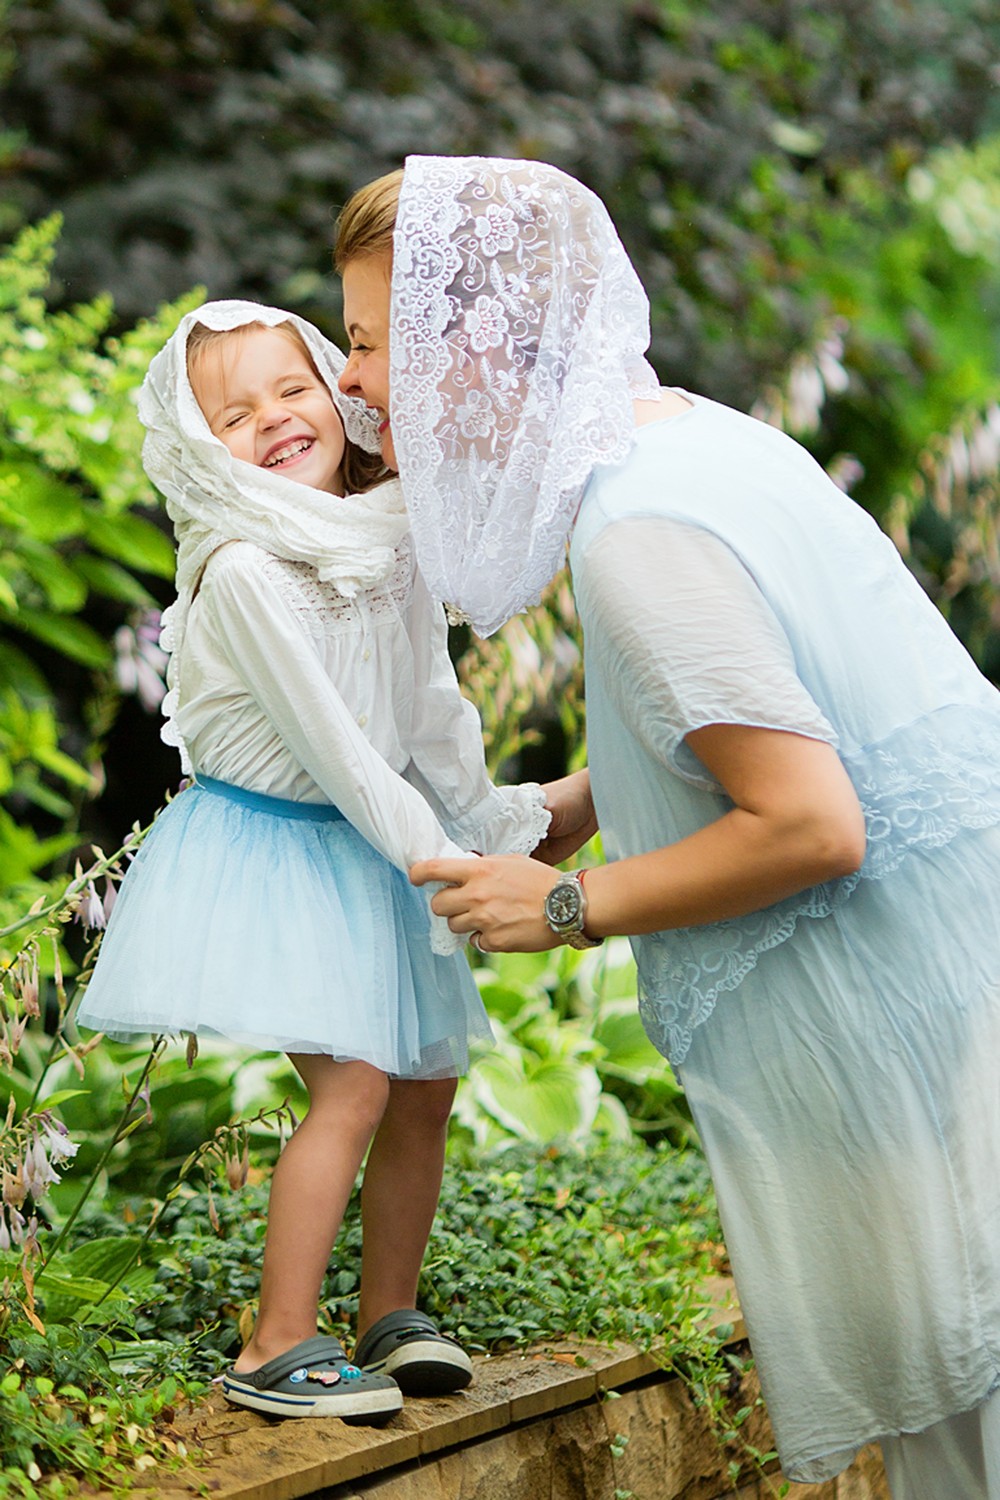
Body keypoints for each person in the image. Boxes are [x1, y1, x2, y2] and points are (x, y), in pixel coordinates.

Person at [333, 157, 1000, 1496]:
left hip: (935, 1058)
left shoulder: (632, 535)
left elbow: (814, 822)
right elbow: (776, 706)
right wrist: (586, 807)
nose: (349, 385)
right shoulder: (692, 435)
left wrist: (567, 908)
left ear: (471, 361)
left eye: (364, 344)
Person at [76, 299, 550, 1423]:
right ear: (200, 452)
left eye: (292, 389)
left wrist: (487, 823)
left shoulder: (388, 534)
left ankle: (392, 1311)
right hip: (283, 847)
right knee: (354, 1084)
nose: (276, 421)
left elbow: (429, 710)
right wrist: (444, 867)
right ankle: (276, 1338)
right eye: (233, 415)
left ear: (336, 388)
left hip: (375, 840)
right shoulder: (240, 569)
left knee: (424, 1085)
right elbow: (340, 755)